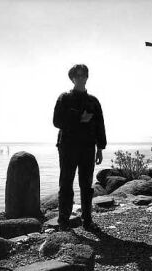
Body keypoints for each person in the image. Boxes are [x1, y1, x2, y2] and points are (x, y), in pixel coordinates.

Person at [53, 64, 106, 232]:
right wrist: (78, 118)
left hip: (88, 148)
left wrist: (100, 147)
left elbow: (100, 125)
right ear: (72, 78)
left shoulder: (93, 101)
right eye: (78, 75)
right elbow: (57, 121)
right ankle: (63, 222)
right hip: (67, 147)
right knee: (66, 183)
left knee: (86, 185)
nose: (81, 77)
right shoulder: (65, 98)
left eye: (84, 75)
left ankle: (87, 220)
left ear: (87, 77)